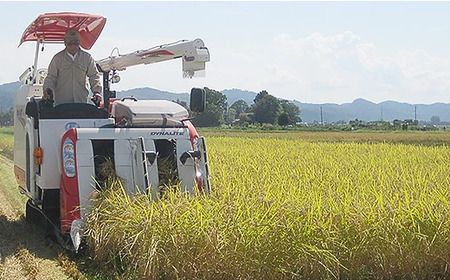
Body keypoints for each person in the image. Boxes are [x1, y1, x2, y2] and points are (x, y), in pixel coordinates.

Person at [43, 28, 102, 106]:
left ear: (80, 42)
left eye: (76, 43)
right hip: (62, 104)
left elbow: (93, 75)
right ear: (65, 43)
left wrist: (96, 92)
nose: (73, 46)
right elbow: (51, 77)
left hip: (81, 102)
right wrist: (47, 89)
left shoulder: (87, 58)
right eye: (70, 43)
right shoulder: (57, 58)